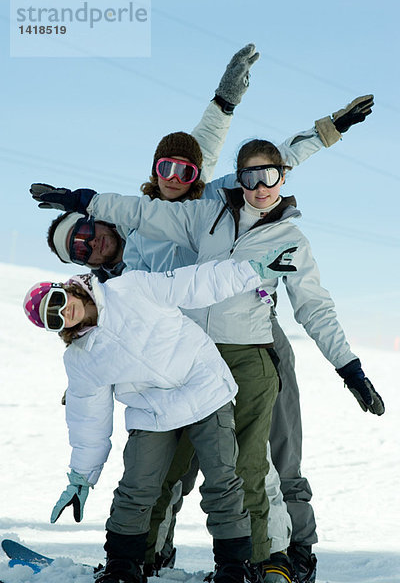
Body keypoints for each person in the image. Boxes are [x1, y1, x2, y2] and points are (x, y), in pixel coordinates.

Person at [32, 94, 375, 583]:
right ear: (77, 266)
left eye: (86, 232)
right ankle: (145, 556)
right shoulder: (113, 280)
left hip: (256, 344)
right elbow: (95, 336)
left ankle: (283, 555)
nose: (88, 245)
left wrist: (302, 123)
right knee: (170, 468)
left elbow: (249, 159)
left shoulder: (201, 205)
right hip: (186, 360)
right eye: (77, 251)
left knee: (269, 462)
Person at [23, 246, 298, 583]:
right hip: (152, 410)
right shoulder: (82, 359)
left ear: (64, 289)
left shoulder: (130, 288)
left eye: (57, 302)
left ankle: (234, 567)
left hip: (204, 388)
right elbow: (88, 420)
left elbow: (195, 283)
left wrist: (251, 270)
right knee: (136, 487)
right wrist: (81, 476)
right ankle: (122, 566)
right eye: (54, 319)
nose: (64, 313)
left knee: (222, 481)